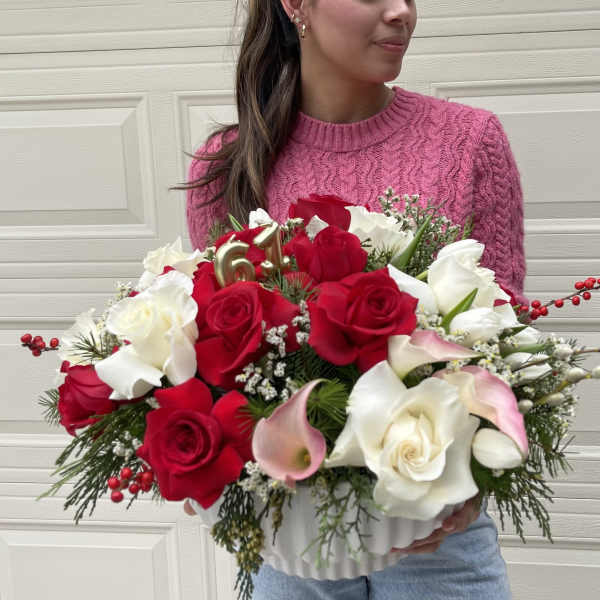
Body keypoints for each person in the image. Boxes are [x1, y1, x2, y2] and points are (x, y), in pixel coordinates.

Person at [177, 1, 525, 598]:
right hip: (291, 538)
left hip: (438, 534)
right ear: (296, 5)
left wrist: (476, 483)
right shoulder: (232, 162)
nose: (401, 12)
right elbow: (215, 352)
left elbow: (505, 332)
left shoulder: (469, 142)